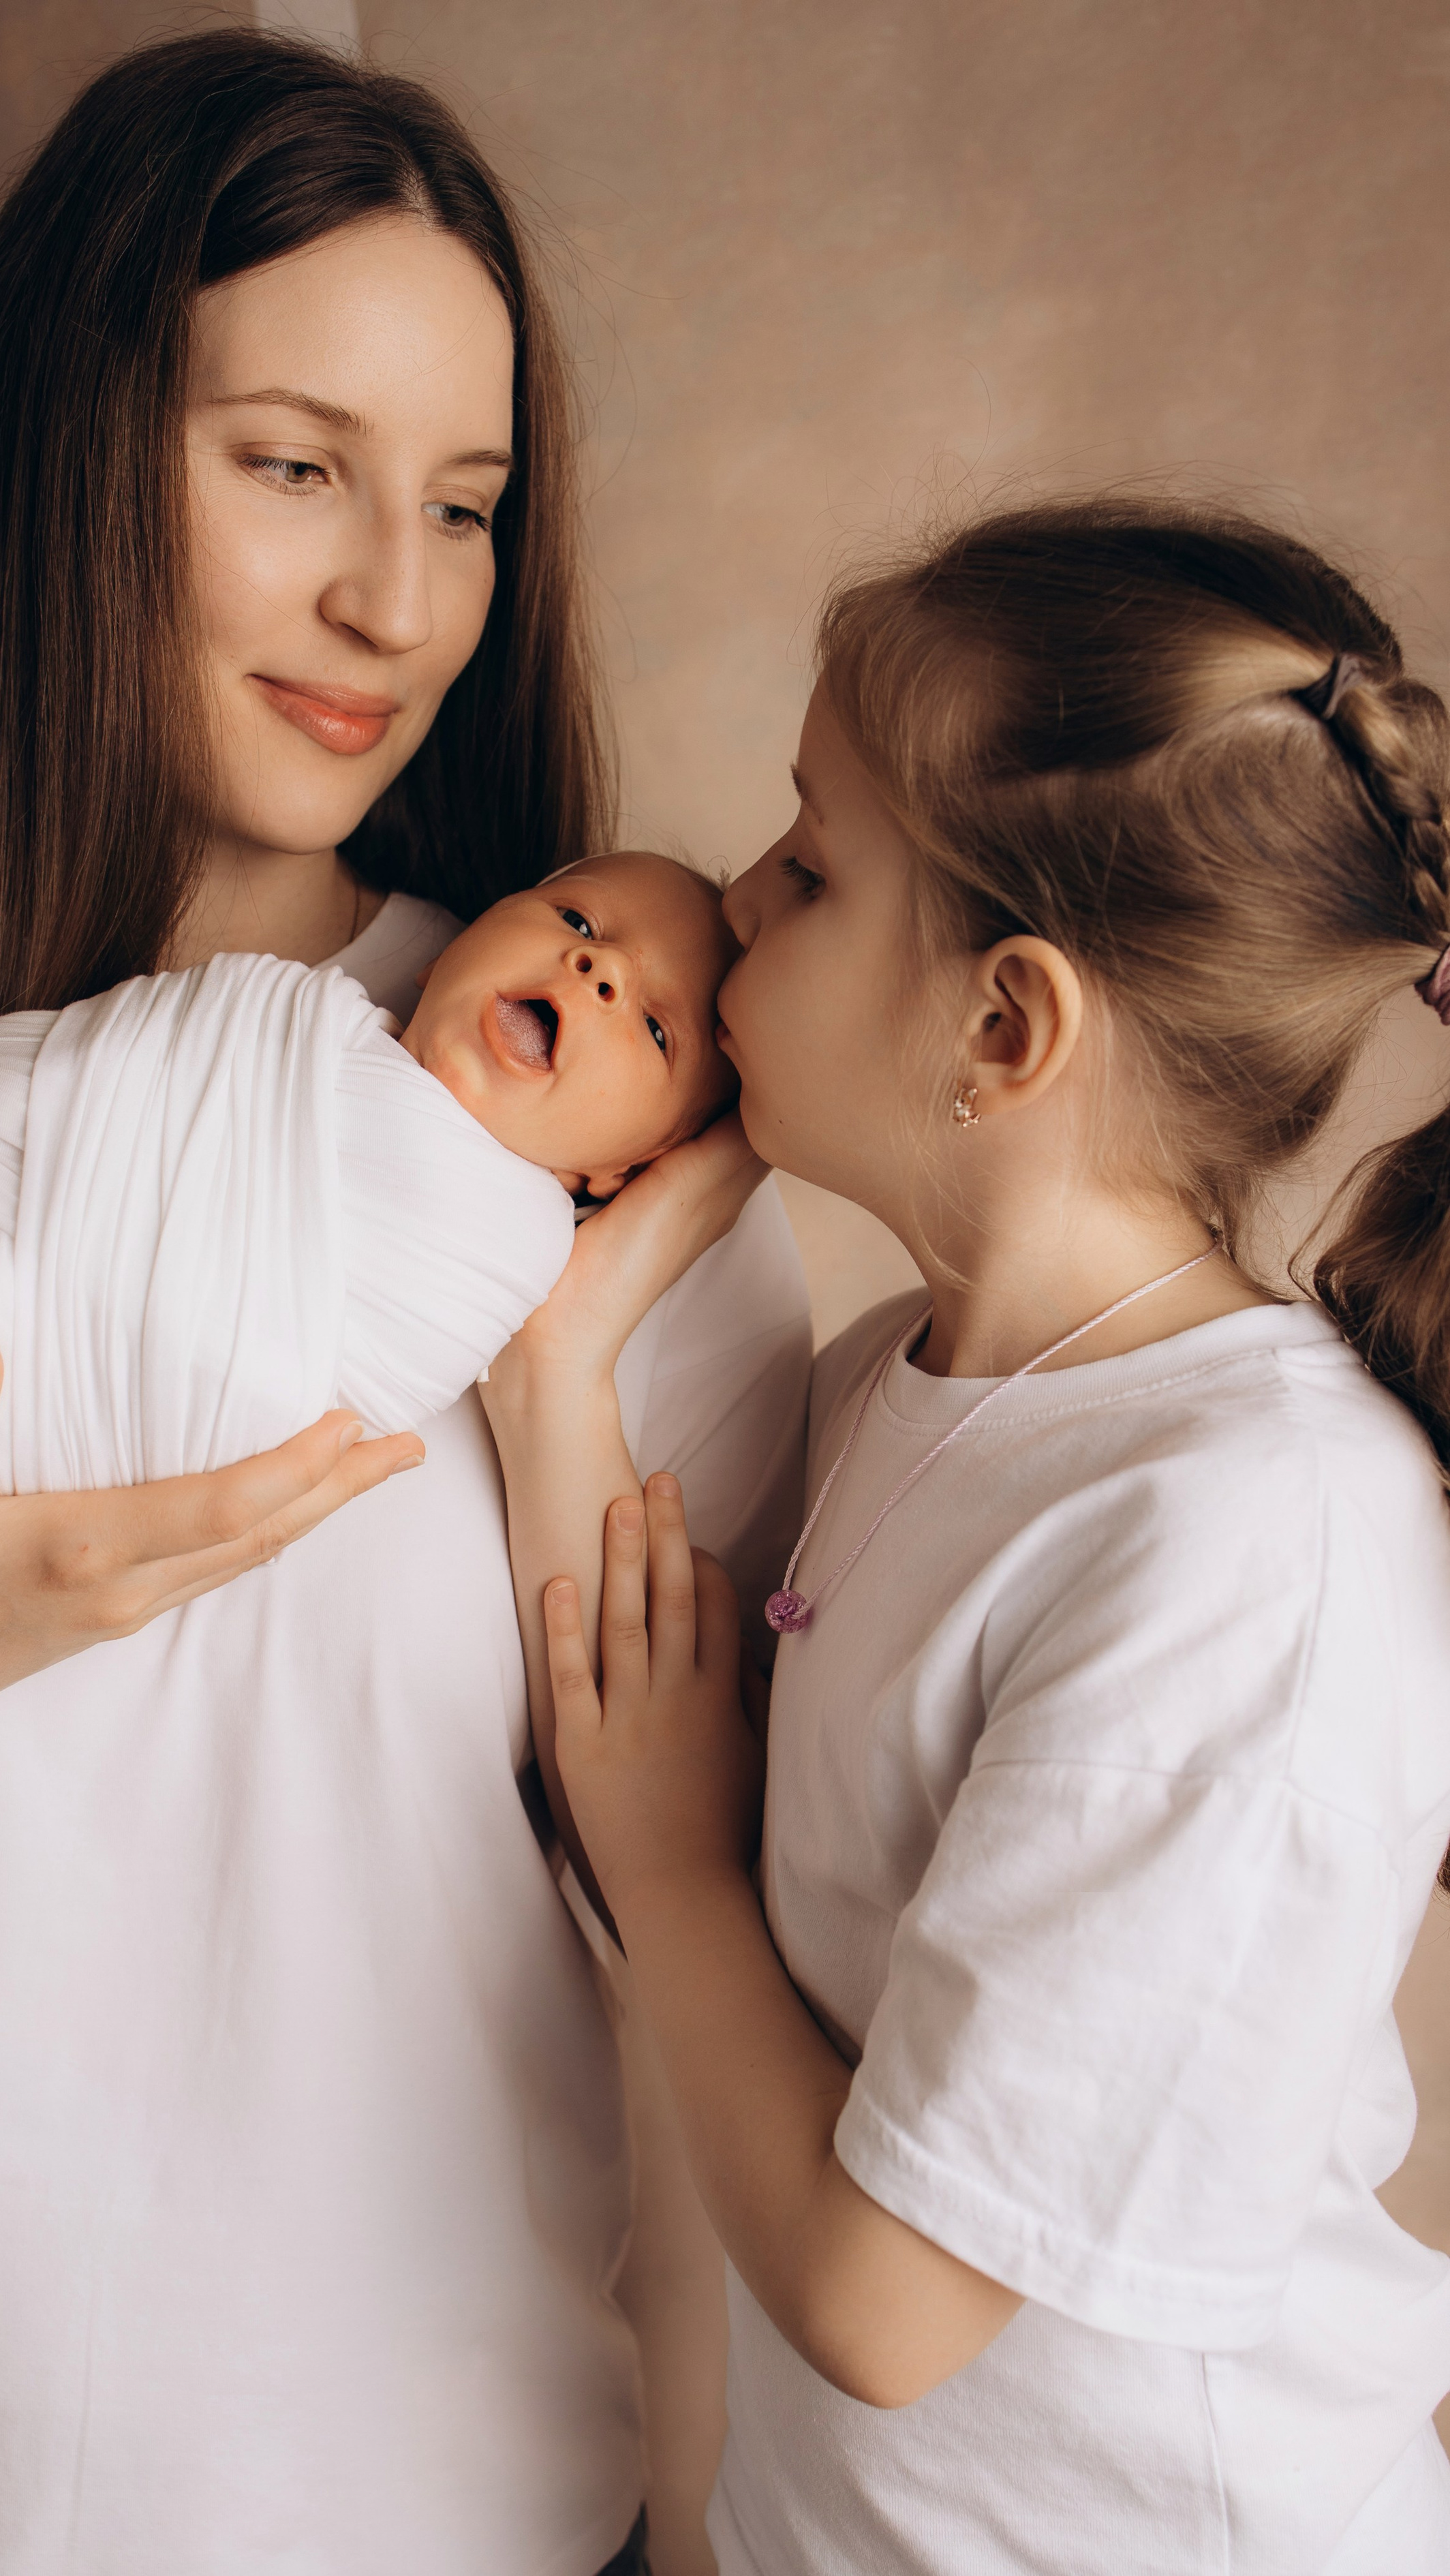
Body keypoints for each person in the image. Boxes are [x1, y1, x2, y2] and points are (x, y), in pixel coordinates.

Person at [0, 31, 809, 2575]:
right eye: (292, 466)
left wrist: (551, 1376)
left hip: (415, 2507)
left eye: (466, 505)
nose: (397, 605)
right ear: (71, 454)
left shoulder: (618, 1159)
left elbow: (739, 1953)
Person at [487, 498, 1450, 2573]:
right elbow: (617, 1739)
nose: (734, 899)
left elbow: (886, 2308)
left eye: (815, 864)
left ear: (1006, 1028)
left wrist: (668, 1850)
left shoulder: (1248, 1536)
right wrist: (564, 1359)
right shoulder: (891, 1384)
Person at [0, 851, 735, 1514]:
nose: (599, 973)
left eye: (653, 1028)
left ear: (618, 1171)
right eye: (578, 917)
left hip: (37, 1393)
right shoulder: (283, 1024)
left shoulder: (507, 1240)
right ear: (445, 956)